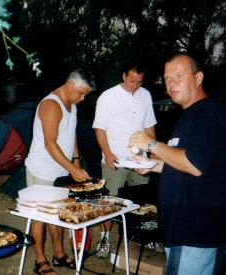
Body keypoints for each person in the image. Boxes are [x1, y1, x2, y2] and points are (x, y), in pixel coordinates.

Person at [129, 53, 226, 275]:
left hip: (196, 231)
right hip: (182, 229)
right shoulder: (190, 115)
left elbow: (194, 164)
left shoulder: (210, 114)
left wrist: (151, 143)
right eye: (167, 78)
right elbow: (182, 161)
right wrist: (152, 165)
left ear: (198, 77)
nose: (171, 83)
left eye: (178, 76)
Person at [25, 69, 96, 275]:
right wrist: (72, 169)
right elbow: (50, 143)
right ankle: (40, 260)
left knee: (59, 213)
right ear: (71, 85)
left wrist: (76, 160)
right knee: (40, 216)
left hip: (61, 169)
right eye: (81, 93)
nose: (83, 99)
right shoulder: (50, 105)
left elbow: (71, 132)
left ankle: (59, 254)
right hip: (42, 170)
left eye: (86, 95)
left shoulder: (71, 104)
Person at [92, 61, 157, 258]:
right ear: (123, 76)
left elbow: (149, 126)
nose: (135, 86)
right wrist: (108, 153)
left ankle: (143, 238)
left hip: (140, 161)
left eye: (139, 82)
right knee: (111, 202)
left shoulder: (146, 95)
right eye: (131, 81)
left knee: (142, 202)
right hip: (115, 160)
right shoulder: (108, 97)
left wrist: (153, 153)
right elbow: (99, 128)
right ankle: (105, 239)